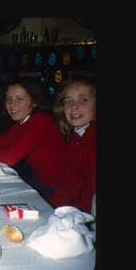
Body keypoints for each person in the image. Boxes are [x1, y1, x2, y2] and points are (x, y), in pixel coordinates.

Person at [0, 76, 66, 201]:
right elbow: (3, 140)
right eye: (9, 99)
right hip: (39, 181)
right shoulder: (24, 121)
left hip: (57, 188)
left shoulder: (41, 121)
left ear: (34, 101)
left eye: (19, 99)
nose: (12, 104)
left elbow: (10, 158)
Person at [49, 74, 97, 215]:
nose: (74, 106)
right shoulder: (76, 138)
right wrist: (51, 209)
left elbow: (90, 194)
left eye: (83, 100)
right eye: (68, 101)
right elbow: (68, 183)